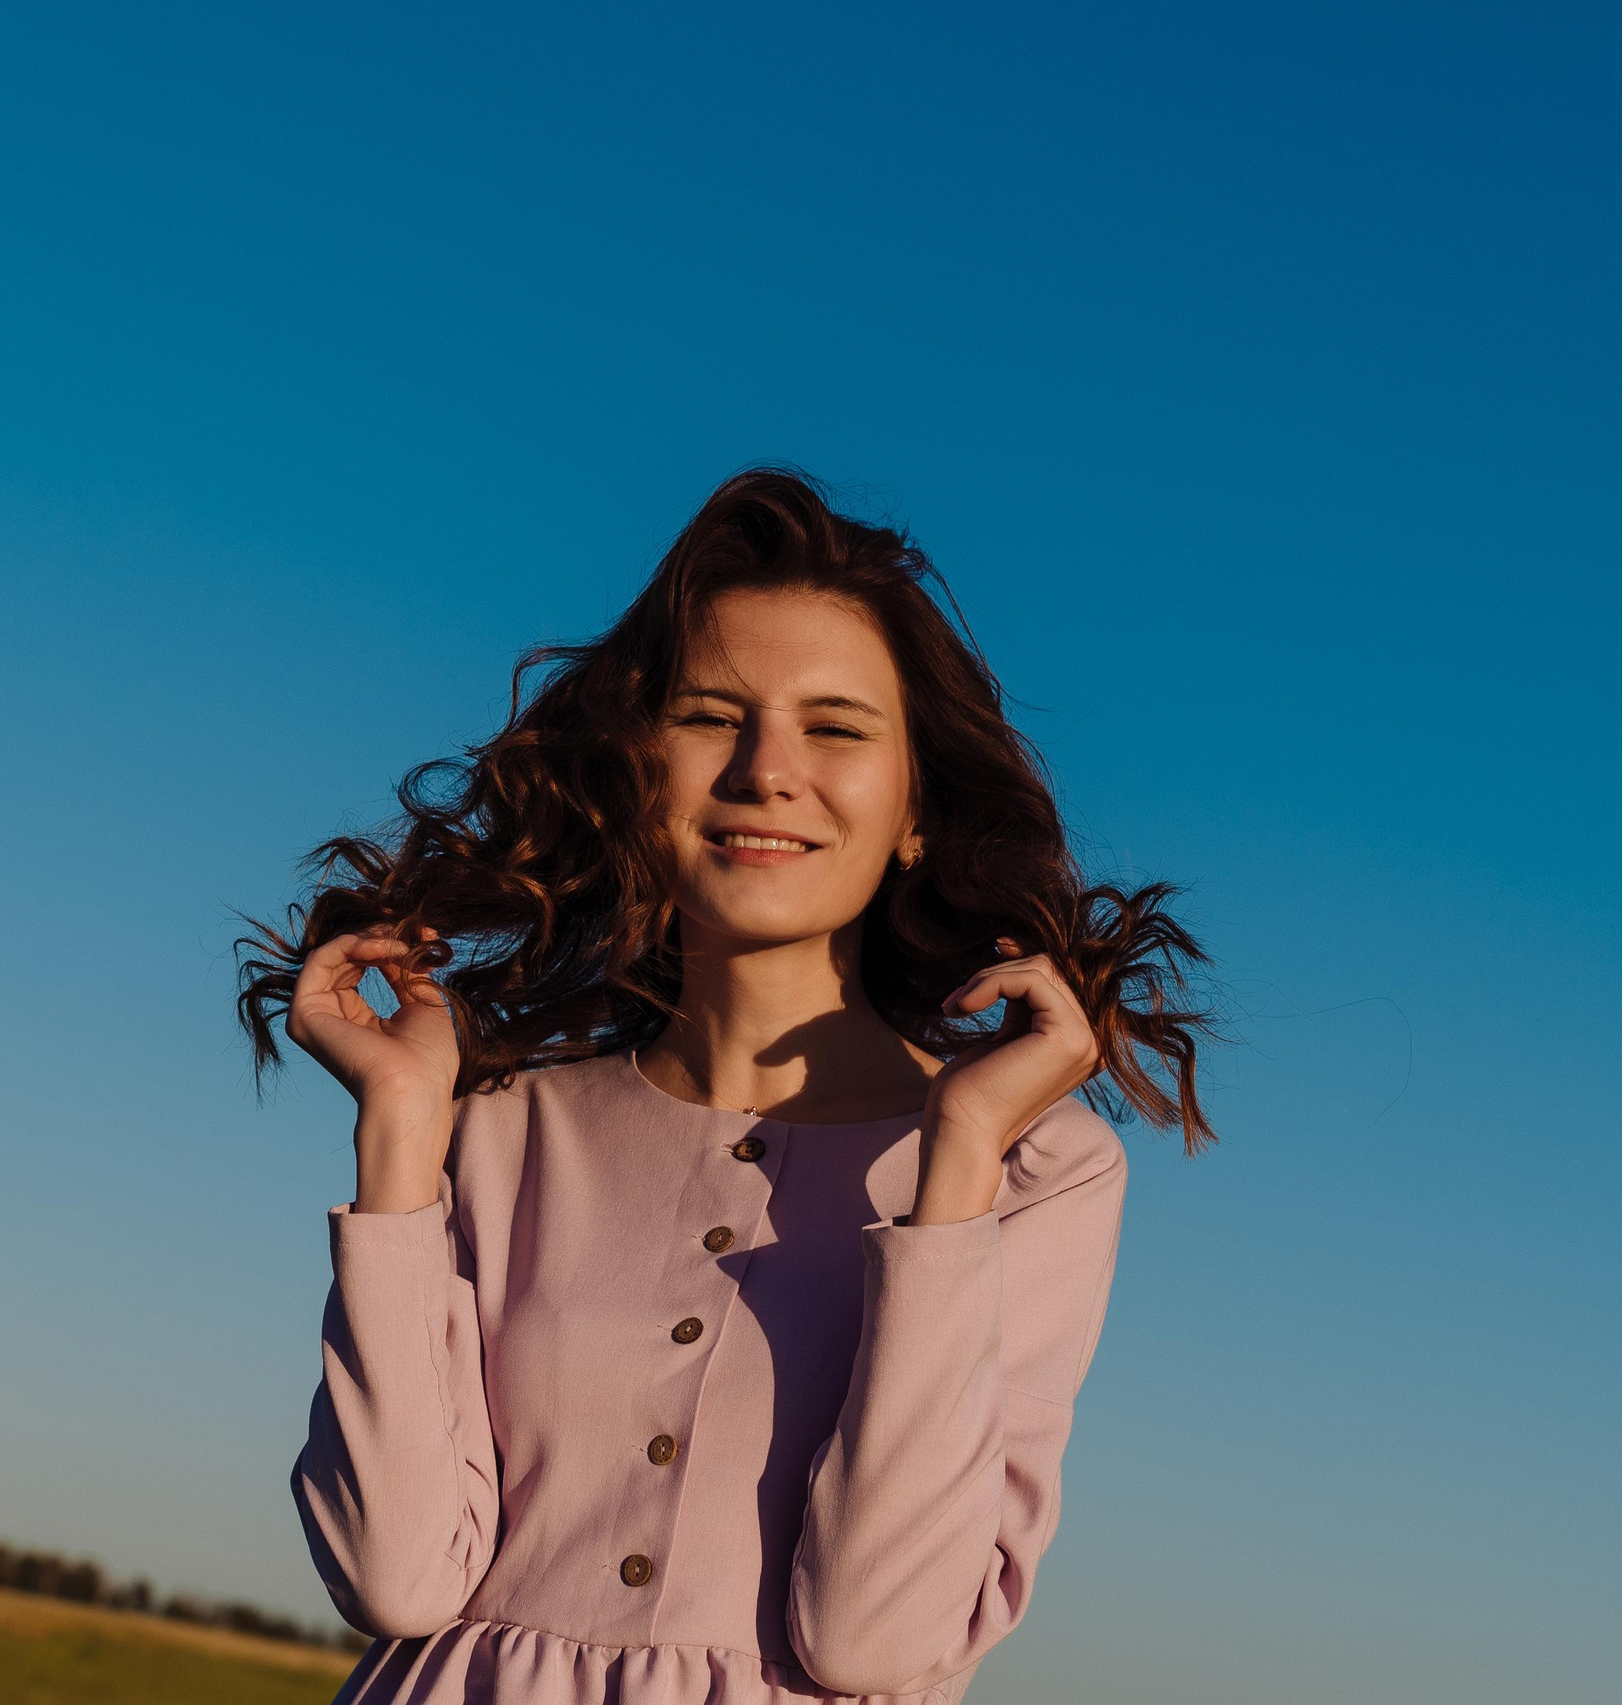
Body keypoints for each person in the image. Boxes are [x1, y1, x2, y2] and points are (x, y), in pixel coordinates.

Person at [235, 467, 1215, 1704]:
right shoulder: (490, 1135)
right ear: (635, 773)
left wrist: (953, 1165)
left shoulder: (1036, 1164)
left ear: (916, 804)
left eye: (837, 726)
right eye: (711, 715)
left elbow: (873, 1638)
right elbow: (394, 1577)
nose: (766, 769)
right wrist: (398, 1139)